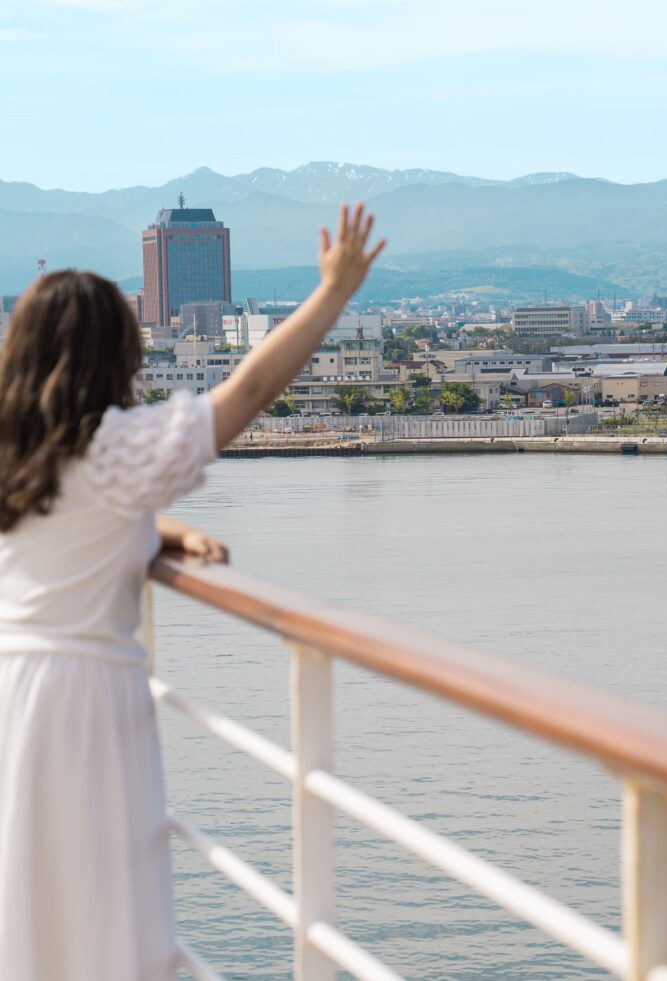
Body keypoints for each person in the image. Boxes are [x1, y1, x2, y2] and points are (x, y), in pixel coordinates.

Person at [0, 205, 384, 980]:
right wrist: (333, 295)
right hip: (83, 698)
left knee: (26, 904)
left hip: (12, 683)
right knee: (105, 903)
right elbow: (248, 391)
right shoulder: (115, 446)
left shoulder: (16, 449)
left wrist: (159, 533)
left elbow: (65, 528)